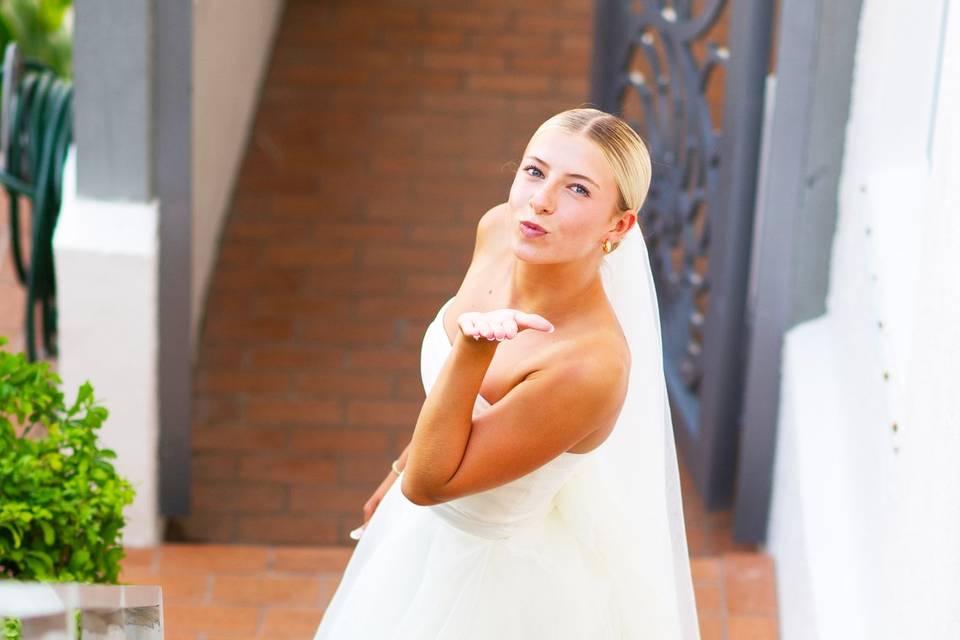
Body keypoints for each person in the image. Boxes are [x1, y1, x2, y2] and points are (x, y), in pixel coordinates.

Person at [314, 107, 700, 639]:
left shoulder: (589, 365)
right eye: (534, 171)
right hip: (417, 537)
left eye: (578, 190)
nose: (539, 200)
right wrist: (400, 464)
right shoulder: (500, 231)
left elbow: (430, 485)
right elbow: (433, 456)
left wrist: (475, 348)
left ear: (619, 225)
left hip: (496, 589)